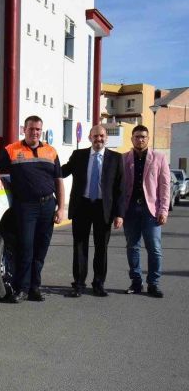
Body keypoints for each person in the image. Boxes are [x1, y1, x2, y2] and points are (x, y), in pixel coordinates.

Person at [0, 116, 65, 303]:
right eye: (31, 129)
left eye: (38, 129)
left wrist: (61, 208)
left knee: (41, 248)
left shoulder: (51, 152)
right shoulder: (12, 150)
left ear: (41, 130)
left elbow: (59, 181)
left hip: (48, 205)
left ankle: (34, 288)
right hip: (26, 207)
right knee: (25, 248)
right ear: (25, 129)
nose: (35, 132)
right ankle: (21, 289)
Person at [61, 125, 125, 298]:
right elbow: (63, 171)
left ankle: (98, 284)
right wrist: (46, 164)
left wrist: (119, 214)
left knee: (101, 247)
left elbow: (120, 189)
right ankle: (79, 284)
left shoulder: (116, 158)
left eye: (102, 136)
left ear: (106, 138)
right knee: (80, 246)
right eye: (96, 136)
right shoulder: (78, 155)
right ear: (90, 138)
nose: (99, 139)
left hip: (103, 208)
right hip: (82, 205)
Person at [122, 125, 170, 298]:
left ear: (148, 139)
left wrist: (163, 210)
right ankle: (136, 283)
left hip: (151, 211)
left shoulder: (159, 158)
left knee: (154, 249)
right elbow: (118, 188)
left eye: (143, 137)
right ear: (132, 139)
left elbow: (165, 186)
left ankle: (153, 284)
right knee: (132, 247)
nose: (140, 139)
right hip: (130, 210)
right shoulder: (124, 159)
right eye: (136, 136)